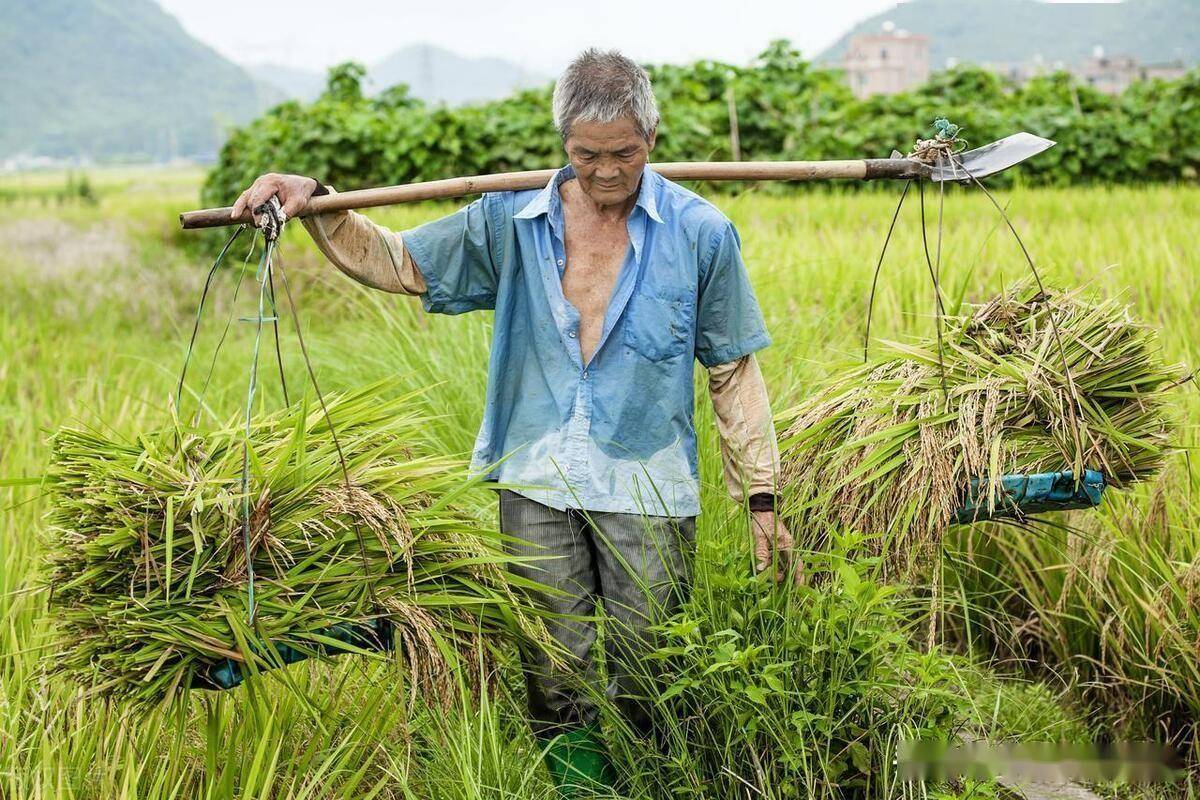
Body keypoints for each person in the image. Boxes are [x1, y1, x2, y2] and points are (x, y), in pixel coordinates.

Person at [232, 47, 799, 795]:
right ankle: (573, 783)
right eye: (586, 155)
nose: (604, 173)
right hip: (533, 479)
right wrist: (316, 199)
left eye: (623, 154)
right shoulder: (511, 221)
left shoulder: (701, 234)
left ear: (651, 142)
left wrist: (760, 500)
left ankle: (646, 778)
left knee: (649, 663)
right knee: (552, 663)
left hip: (648, 486)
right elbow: (397, 261)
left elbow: (733, 371)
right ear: (564, 145)